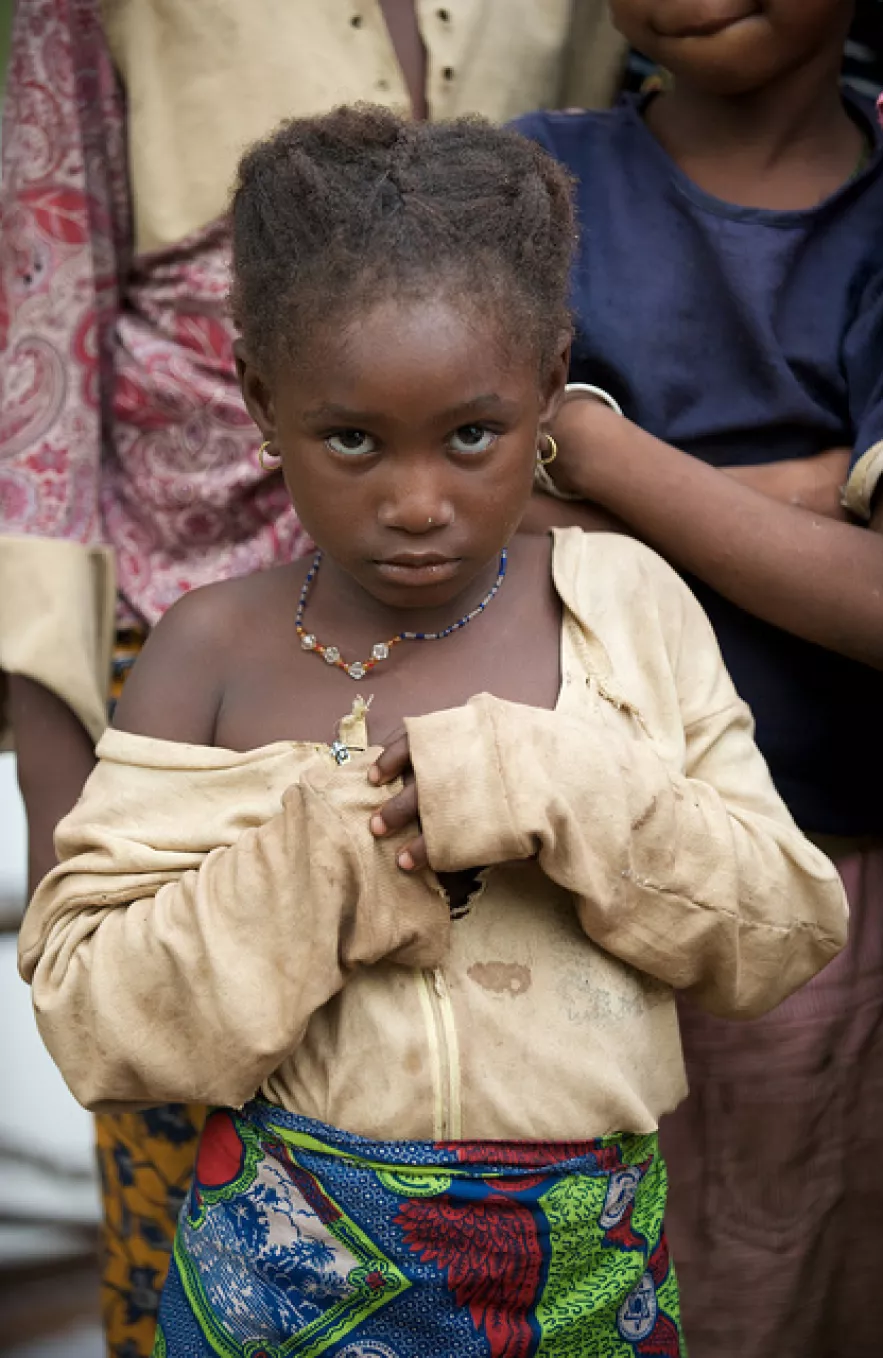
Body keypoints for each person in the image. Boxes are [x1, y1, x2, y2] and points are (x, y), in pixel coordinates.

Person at [17, 105, 846, 1356]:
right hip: (273, 1298)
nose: (418, 504)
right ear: (260, 398)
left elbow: (783, 929)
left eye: (474, 435)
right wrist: (332, 856)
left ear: (547, 381)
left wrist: (562, 779)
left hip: (583, 1294)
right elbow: (93, 1011)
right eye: (352, 439)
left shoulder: (622, 607)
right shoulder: (211, 650)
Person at [0, 4, 627, 1351]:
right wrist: (67, 784)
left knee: (474, 1119)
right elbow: (38, 369)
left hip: (488, 653)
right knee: (203, 1169)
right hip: (180, 681)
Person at [513, 1, 883, 1353]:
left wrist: (600, 453)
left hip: (829, 884)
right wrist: (818, 497)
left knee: (797, 1265)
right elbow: (461, 517)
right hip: (565, 889)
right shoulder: (523, 193)